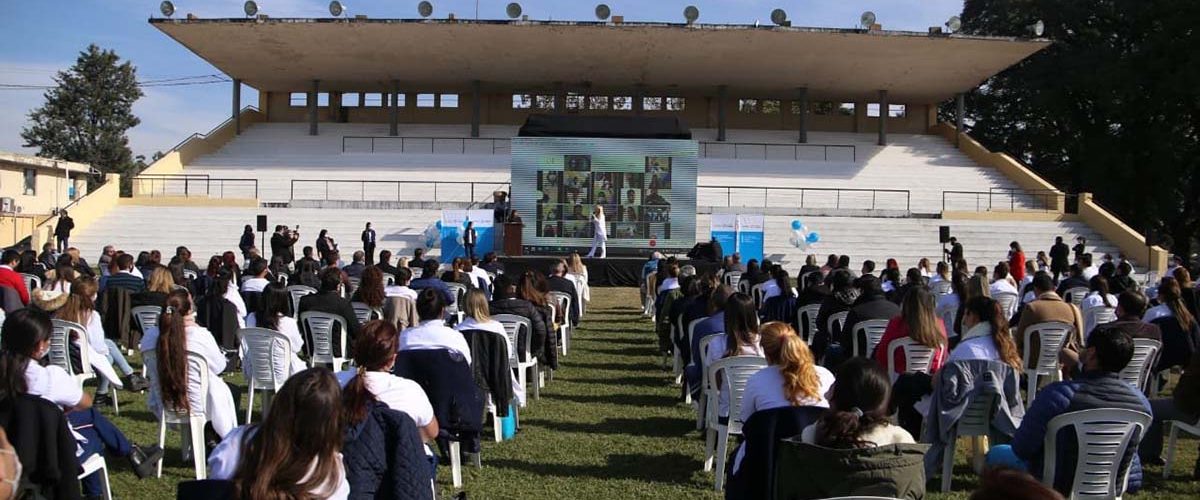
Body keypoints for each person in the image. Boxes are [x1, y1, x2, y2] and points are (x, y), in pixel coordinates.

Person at [2, 308, 164, 495]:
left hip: (7, 449)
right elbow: (85, 401)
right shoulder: (49, 377)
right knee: (93, 433)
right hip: (47, 456)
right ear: (39, 346)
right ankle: (98, 491)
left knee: (89, 417)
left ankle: (131, 453)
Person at [985, 327, 1152, 495]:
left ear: (1091, 353)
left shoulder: (1056, 396)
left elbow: (1022, 449)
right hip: (1109, 487)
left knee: (995, 454)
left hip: (1056, 486)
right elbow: (1131, 459)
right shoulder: (1141, 403)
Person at [209, 368, 349, 499]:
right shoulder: (331, 477)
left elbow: (216, 483)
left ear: (280, 402)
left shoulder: (238, 442)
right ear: (332, 423)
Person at [337, 320, 440, 476]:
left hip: (347, 467)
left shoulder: (333, 383)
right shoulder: (410, 390)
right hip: (398, 469)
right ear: (392, 359)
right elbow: (431, 432)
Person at [145, 289, 240, 438]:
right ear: (189, 310)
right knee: (231, 392)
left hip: (165, 399)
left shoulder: (150, 337)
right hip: (196, 403)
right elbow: (220, 366)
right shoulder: (199, 335)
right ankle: (214, 438)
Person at [56, 277, 149, 404]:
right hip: (82, 362)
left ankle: (126, 378)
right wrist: (106, 351)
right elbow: (98, 347)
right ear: (92, 296)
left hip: (61, 359)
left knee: (109, 345)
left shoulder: (59, 314)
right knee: (108, 357)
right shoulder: (91, 316)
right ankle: (113, 387)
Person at [801, 357, 915, 447]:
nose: (826, 394)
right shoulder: (901, 440)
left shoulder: (812, 436)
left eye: (832, 387)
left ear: (836, 397)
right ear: (883, 401)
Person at [740, 322, 835, 418]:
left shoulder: (756, 381)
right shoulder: (825, 376)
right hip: (816, 427)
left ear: (766, 352)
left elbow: (746, 419)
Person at [707, 293, 765, 418]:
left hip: (726, 413)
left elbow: (713, 382)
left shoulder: (716, 344)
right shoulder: (764, 343)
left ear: (727, 316)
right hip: (758, 415)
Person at [875, 286, 949, 375]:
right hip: (929, 379)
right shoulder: (939, 325)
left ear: (907, 303)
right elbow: (942, 358)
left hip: (899, 379)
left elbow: (881, 357)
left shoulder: (897, 324)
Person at [1015, 273, 1084, 363]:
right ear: (1054, 289)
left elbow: (1019, 338)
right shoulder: (1071, 309)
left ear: (1035, 289)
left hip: (1033, 361)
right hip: (1059, 361)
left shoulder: (1032, 307)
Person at [298, 267, 362, 359]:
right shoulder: (343, 304)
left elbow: (301, 326)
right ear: (338, 286)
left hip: (311, 348)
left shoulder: (305, 301)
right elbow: (356, 331)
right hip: (338, 350)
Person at [245, 282, 308, 376]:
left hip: (256, 369)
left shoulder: (251, 317)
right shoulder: (289, 322)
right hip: (281, 371)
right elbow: (297, 347)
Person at [949, 296, 1023, 371]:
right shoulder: (1007, 348)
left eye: (966, 314)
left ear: (974, 316)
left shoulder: (964, 350)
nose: (964, 322)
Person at [1143, 277, 1200, 372]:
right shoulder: (1188, 317)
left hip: (1160, 359)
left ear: (1160, 296)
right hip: (1184, 358)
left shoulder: (1153, 313)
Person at [400, 288, 472, 364]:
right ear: (442, 311)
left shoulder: (405, 337)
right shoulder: (456, 338)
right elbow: (467, 364)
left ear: (417, 310)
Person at [839, 275, 900, 359]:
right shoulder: (897, 310)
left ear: (861, 291)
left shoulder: (857, 312)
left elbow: (845, 341)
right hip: (889, 359)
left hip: (860, 359)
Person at [813, 269, 858, 362]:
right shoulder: (857, 298)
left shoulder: (830, 299)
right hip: (852, 340)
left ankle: (817, 363)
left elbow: (819, 322)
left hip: (833, 340)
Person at [548, 260, 581, 327]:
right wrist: (575, 320)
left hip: (548, 314)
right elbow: (575, 302)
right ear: (564, 271)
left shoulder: (544, 283)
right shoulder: (569, 284)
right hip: (565, 315)